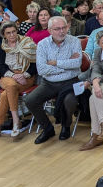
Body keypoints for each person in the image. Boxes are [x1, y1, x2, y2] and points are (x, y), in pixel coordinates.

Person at [24, 16, 82, 144]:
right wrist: (66, 65)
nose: (61, 31)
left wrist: (55, 63)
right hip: (49, 83)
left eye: (64, 28)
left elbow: (77, 64)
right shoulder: (43, 44)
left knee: (70, 101)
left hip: (71, 82)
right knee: (30, 100)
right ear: (50, 30)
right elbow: (42, 69)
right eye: (57, 29)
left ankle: (66, 127)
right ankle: (47, 128)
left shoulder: (74, 41)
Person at [0, 21, 36, 141]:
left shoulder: (27, 43)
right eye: (8, 33)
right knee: (11, 86)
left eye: (13, 31)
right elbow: (1, 67)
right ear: (4, 35)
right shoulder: (2, 47)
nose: (12, 35)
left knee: (4, 95)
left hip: (26, 77)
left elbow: (35, 63)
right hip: (8, 77)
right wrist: (14, 75)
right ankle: (16, 121)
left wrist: (25, 74)